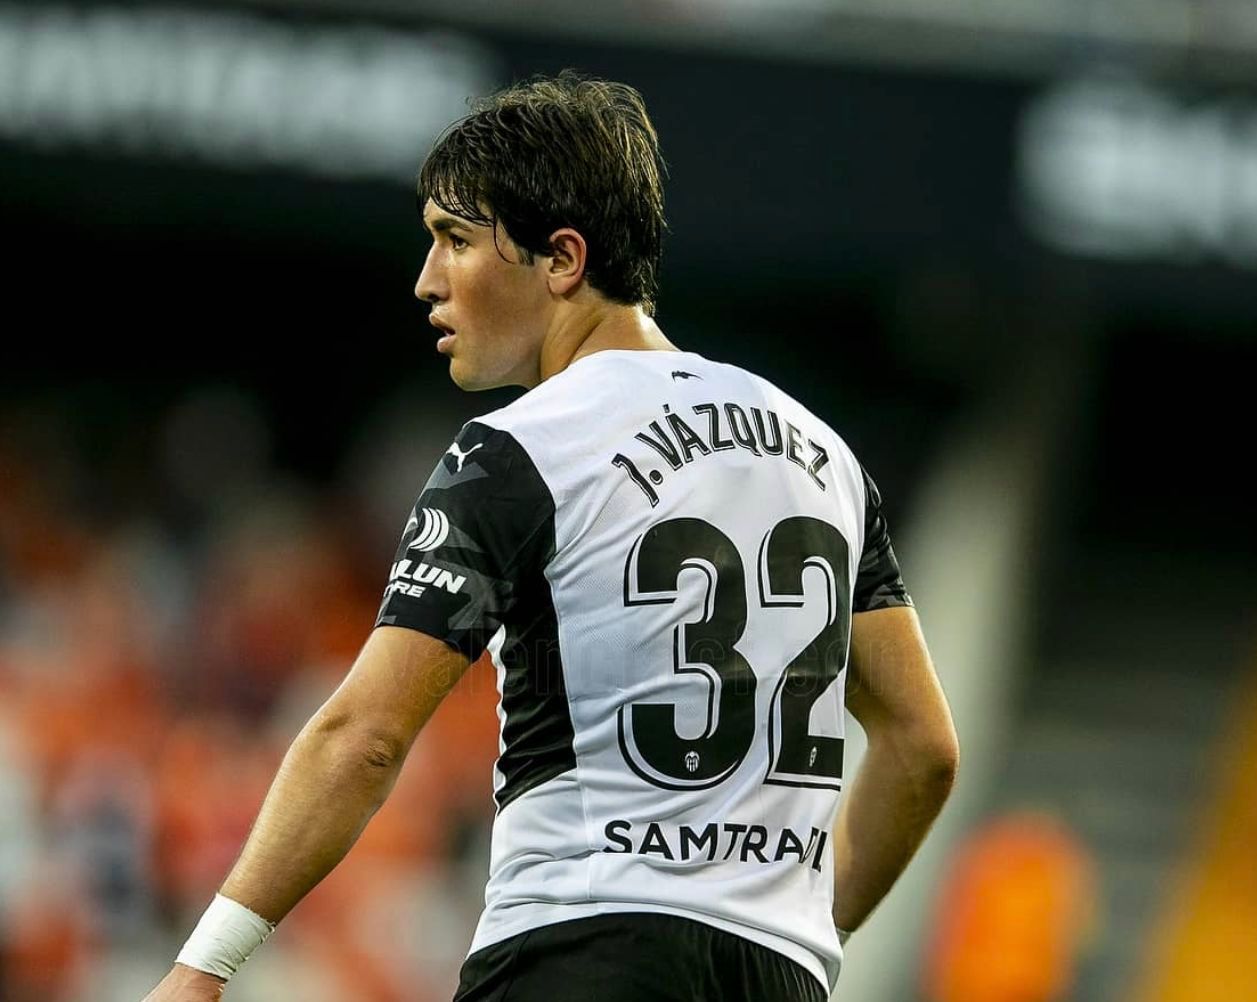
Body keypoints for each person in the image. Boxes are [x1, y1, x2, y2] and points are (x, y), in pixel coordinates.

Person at [141, 70, 959, 1002]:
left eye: (455, 240)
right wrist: (812, 928)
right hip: (778, 973)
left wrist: (203, 965)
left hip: (578, 950)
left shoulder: (524, 449)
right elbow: (923, 748)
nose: (426, 280)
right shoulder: (825, 456)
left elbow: (364, 735)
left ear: (562, 259)